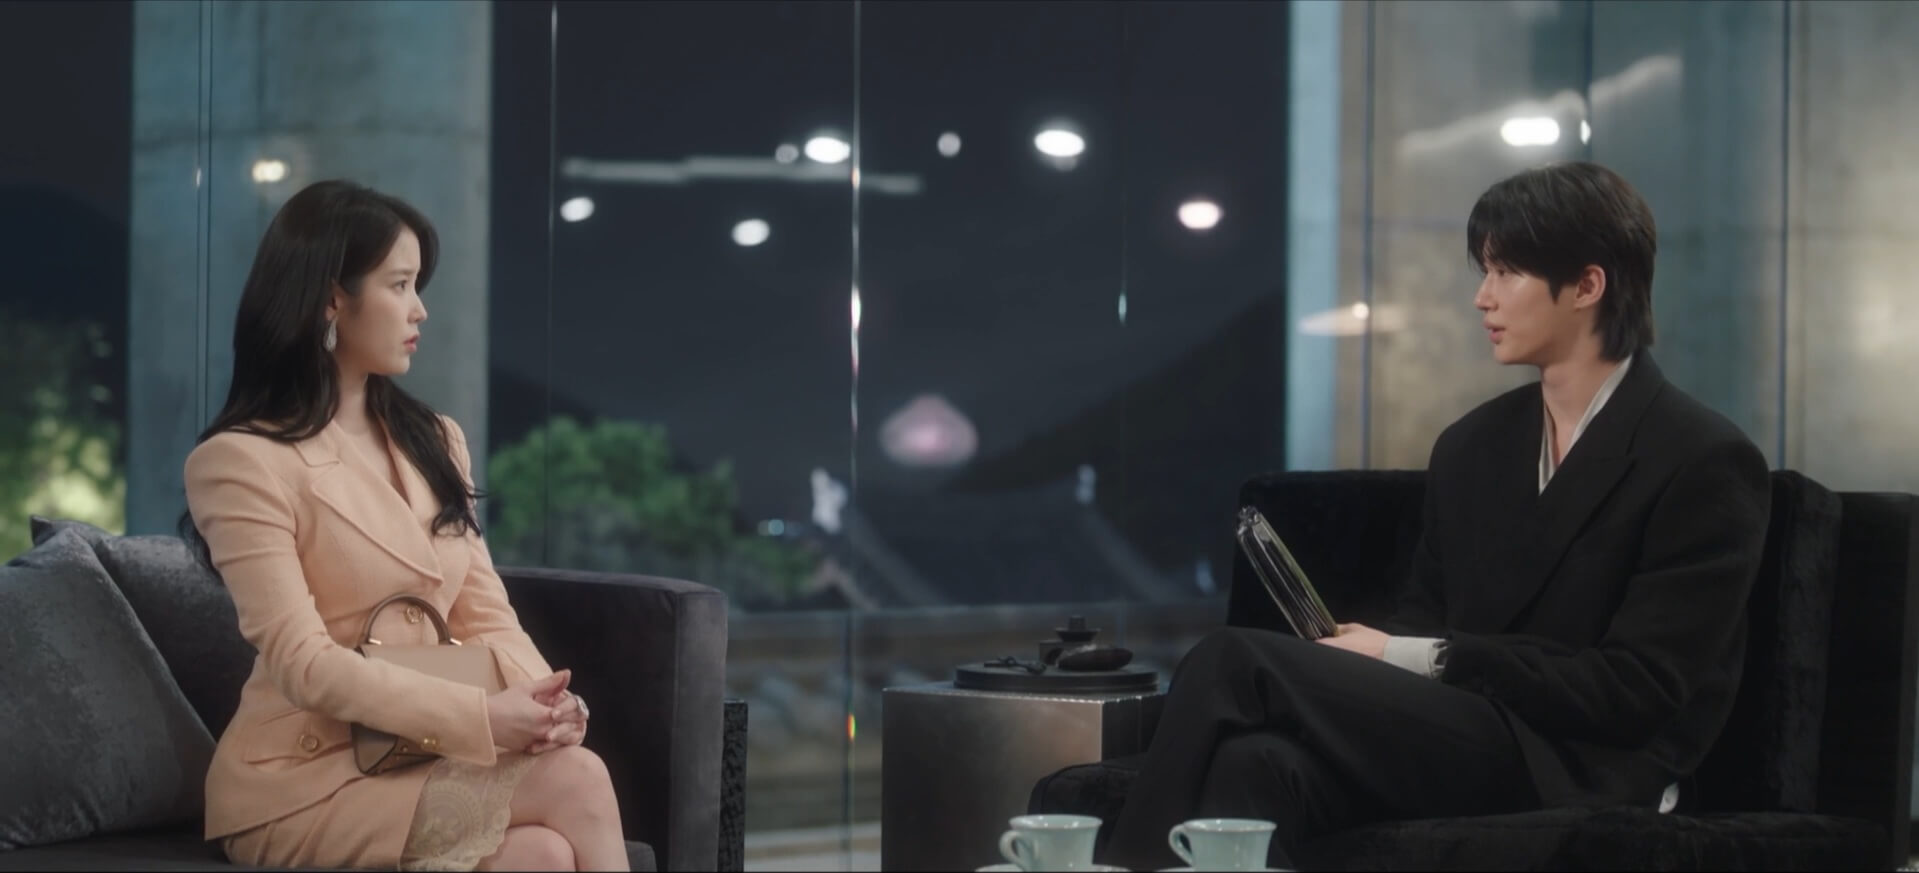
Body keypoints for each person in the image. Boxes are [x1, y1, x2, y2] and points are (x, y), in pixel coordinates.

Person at [1104, 162, 1772, 871]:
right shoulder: (1472, 446)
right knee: (1257, 762)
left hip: (1586, 765)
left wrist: (1422, 656)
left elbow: (1635, 692)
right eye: (1484, 271)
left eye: (1506, 272)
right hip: (1464, 732)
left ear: (1586, 286)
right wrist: (1394, 657)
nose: (1483, 297)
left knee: (1231, 660)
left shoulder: (1700, 457)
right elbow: (1423, 620)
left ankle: (1112, 867)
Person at [182, 180, 629, 872]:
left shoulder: (434, 440)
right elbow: (303, 663)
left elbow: (485, 611)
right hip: (300, 779)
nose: (419, 308)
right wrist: (482, 719)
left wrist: (547, 703)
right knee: (579, 779)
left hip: (417, 755)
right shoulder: (240, 461)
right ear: (331, 299)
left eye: (417, 285)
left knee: (540, 854)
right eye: (399, 285)